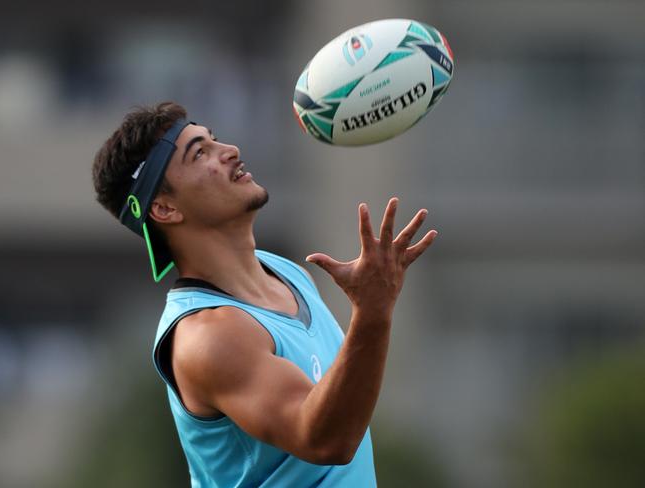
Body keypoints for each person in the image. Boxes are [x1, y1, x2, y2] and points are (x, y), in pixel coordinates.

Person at [92, 102, 438, 487]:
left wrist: (373, 309)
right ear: (163, 207)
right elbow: (327, 441)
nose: (231, 151)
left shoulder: (289, 274)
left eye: (214, 139)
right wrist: (373, 313)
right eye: (200, 152)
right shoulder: (209, 336)